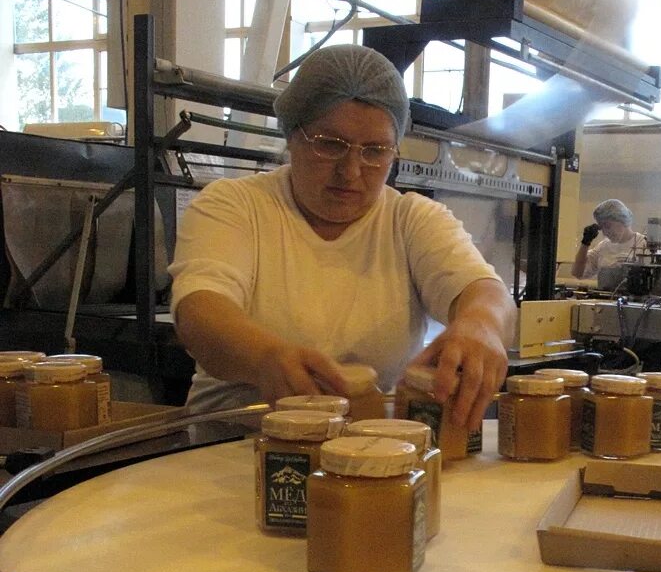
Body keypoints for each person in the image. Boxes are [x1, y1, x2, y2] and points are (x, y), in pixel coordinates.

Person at [169, 44, 515, 428]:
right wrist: (265, 357)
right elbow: (199, 312)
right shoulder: (237, 205)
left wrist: (481, 325)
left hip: (374, 448)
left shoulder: (409, 219)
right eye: (330, 145)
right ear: (292, 136)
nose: (350, 171)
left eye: (375, 151)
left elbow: (484, 289)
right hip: (231, 446)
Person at [570, 198, 647, 280]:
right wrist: (585, 243)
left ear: (622, 220)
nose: (605, 232)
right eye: (602, 227)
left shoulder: (643, 244)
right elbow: (577, 273)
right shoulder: (603, 247)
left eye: (607, 226)